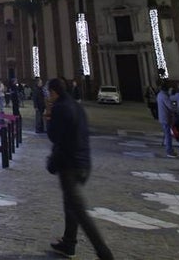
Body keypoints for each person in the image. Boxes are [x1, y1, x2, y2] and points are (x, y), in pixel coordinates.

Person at [45, 77, 114, 260]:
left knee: (79, 211)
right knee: (70, 205)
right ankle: (69, 242)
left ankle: (104, 252)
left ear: (54, 92)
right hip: (83, 162)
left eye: (48, 92)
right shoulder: (77, 106)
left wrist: (49, 116)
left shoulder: (60, 108)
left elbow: (54, 136)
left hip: (69, 164)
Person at [156, 82, 179, 158]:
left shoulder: (159, 95)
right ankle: (169, 151)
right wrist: (177, 109)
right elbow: (170, 106)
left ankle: (167, 147)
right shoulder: (164, 96)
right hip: (166, 117)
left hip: (163, 117)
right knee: (168, 134)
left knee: (167, 133)